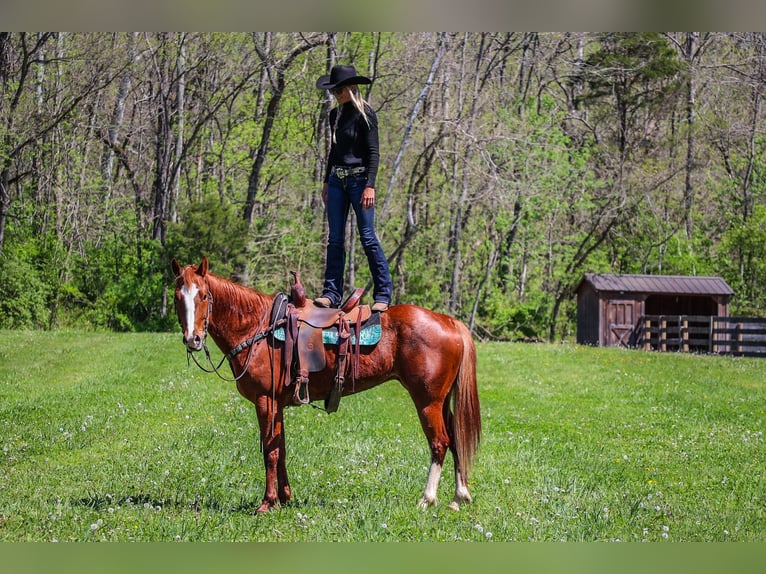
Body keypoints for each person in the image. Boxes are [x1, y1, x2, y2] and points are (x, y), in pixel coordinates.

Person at [315, 64, 392, 312]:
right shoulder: (334, 116)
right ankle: (331, 293)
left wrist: (370, 185)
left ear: (351, 88)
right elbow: (334, 152)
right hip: (337, 180)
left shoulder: (366, 114)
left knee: (368, 237)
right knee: (335, 239)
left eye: (339, 90)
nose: (335, 94)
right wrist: (327, 181)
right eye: (333, 91)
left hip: (360, 181)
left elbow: (373, 153)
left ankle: (383, 293)